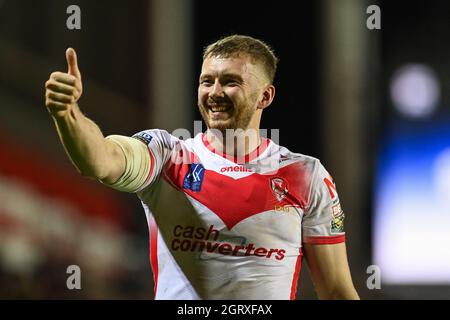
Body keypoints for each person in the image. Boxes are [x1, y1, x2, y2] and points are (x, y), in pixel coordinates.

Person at [44, 35, 359, 300]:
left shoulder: (307, 175)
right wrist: (67, 114)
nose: (215, 92)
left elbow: (335, 290)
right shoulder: (167, 155)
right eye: (207, 81)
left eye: (230, 82)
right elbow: (99, 160)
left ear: (265, 96)